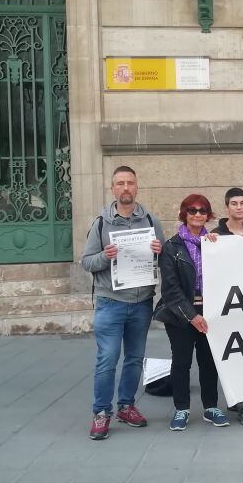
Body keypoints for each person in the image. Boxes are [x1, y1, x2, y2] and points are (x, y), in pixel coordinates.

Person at [155, 194, 243, 430]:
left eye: (202, 211)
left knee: (209, 361)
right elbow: (171, 289)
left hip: (211, 311)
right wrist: (192, 316)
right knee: (181, 362)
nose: (197, 215)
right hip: (181, 314)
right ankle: (181, 409)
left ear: (208, 215)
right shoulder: (172, 247)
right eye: (192, 211)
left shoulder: (215, 242)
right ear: (184, 214)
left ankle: (211, 407)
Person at [81, 166, 164, 441]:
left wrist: (159, 252)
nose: (125, 188)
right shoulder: (101, 223)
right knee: (107, 359)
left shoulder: (151, 220)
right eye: (120, 183)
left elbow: (164, 259)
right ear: (113, 188)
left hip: (141, 302)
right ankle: (101, 412)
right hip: (111, 303)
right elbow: (86, 262)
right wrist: (105, 256)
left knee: (134, 359)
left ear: (137, 187)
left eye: (130, 183)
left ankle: (126, 406)